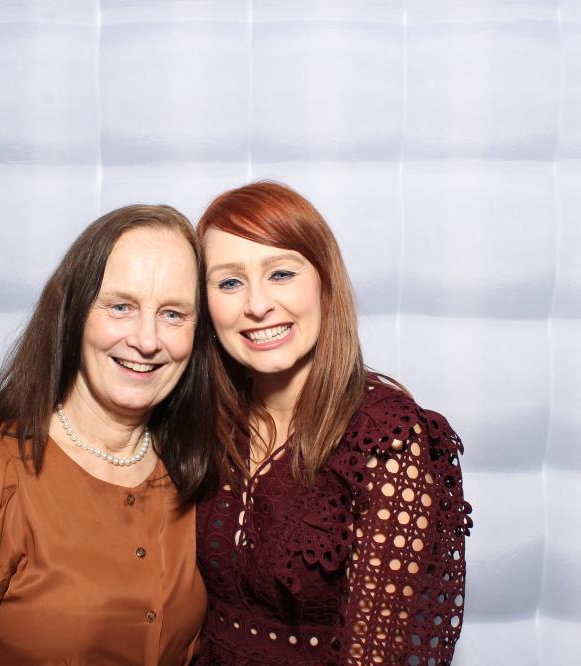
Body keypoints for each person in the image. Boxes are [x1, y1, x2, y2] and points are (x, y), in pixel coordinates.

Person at [0, 204, 215, 665]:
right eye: (121, 307)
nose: (147, 340)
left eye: (173, 314)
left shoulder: (188, 474)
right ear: (74, 313)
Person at [193, 182, 473, 665]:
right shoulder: (205, 417)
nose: (257, 305)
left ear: (324, 283)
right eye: (230, 282)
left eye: (281, 273)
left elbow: (374, 655)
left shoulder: (387, 438)